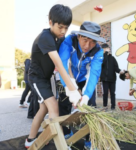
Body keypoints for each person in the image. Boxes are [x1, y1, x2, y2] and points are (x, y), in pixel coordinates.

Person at [25, 4, 81, 148]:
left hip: (46, 78)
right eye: (60, 27)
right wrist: (72, 90)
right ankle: (60, 145)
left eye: (66, 28)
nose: (63, 31)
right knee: (54, 107)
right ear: (50, 22)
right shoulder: (45, 37)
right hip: (36, 78)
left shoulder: (60, 38)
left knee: (44, 108)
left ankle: (30, 139)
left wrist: (72, 82)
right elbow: (58, 63)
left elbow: (65, 62)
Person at [58, 21, 105, 150]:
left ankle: (90, 140)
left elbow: (94, 74)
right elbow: (62, 63)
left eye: (92, 42)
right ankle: (67, 134)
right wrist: (70, 87)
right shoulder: (69, 41)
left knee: (90, 108)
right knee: (63, 105)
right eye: (84, 40)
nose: (87, 45)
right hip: (67, 77)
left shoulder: (98, 51)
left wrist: (86, 96)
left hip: (85, 79)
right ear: (78, 36)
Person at [100, 43, 124, 110]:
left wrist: (120, 71)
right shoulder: (101, 57)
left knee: (112, 93)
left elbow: (116, 68)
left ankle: (113, 106)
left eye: (107, 48)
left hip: (112, 79)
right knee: (105, 93)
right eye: (105, 48)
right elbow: (102, 64)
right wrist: (105, 54)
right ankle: (105, 106)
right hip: (104, 79)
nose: (107, 49)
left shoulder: (112, 58)